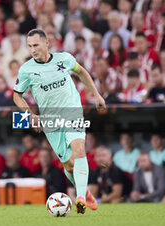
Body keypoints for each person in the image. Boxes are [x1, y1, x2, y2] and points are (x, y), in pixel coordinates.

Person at [13, 29, 106, 214]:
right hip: (50, 120)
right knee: (69, 164)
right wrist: (30, 115)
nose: (33, 49)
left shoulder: (64, 59)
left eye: (36, 45)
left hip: (72, 111)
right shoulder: (26, 70)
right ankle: (85, 191)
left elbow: (81, 72)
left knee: (79, 149)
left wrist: (96, 95)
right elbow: (17, 97)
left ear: (47, 43)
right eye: (30, 46)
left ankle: (79, 198)